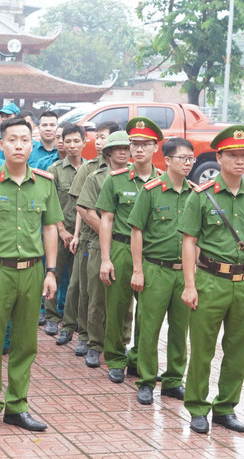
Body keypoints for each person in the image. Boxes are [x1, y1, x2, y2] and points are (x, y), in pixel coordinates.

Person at [0, 116, 63, 435]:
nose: (19, 145)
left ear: (31, 144)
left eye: (24, 139)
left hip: (33, 272)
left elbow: (50, 228)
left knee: (25, 343)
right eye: (12, 140)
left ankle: (17, 406)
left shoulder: (45, 183)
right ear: (2, 145)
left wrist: (51, 271)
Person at [178, 125, 244, 434]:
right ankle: (197, 407)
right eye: (233, 155)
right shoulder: (203, 196)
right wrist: (190, 285)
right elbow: (189, 242)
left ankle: (225, 408)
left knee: (240, 348)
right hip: (210, 280)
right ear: (218, 157)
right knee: (203, 348)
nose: (240, 161)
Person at [128, 137, 196, 406]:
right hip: (155, 269)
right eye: (183, 158)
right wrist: (137, 270)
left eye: (191, 158)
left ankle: (173, 381)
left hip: (185, 274)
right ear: (167, 160)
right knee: (149, 328)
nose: (188, 163)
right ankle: (145, 381)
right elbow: (137, 231)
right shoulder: (151, 190)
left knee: (180, 329)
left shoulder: (197, 193)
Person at [97, 118, 164, 384]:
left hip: (152, 253)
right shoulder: (116, 180)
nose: (138, 150)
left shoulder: (164, 181)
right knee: (117, 306)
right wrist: (105, 258)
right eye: (134, 144)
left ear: (155, 148)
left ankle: (139, 359)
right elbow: (107, 220)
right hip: (122, 248)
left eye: (144, 144)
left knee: (149, 311)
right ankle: (115, 358)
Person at [60, 121, 118, 363]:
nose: (101, 141)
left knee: (113, 296)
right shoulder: (91, 170)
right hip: (89, 237)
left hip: (122, 242)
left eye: (106, 137)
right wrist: (76, 234)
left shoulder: (130, 172)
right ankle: (83, 334)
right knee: (84, 289)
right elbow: (81, 207)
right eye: (99, 137)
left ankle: (112, 341)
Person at [44, 125, 85, 336]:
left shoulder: (90, 169)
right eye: (68, 141)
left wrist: (77, 234)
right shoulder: (55, 170)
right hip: (59, 232)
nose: (72, 145)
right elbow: (50, 203)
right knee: (54, 274)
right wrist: (61, 230)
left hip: (82, 234)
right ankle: (51, 316)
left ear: (83, 143)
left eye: (76, 141)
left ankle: (74, 318)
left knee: (77, 280)